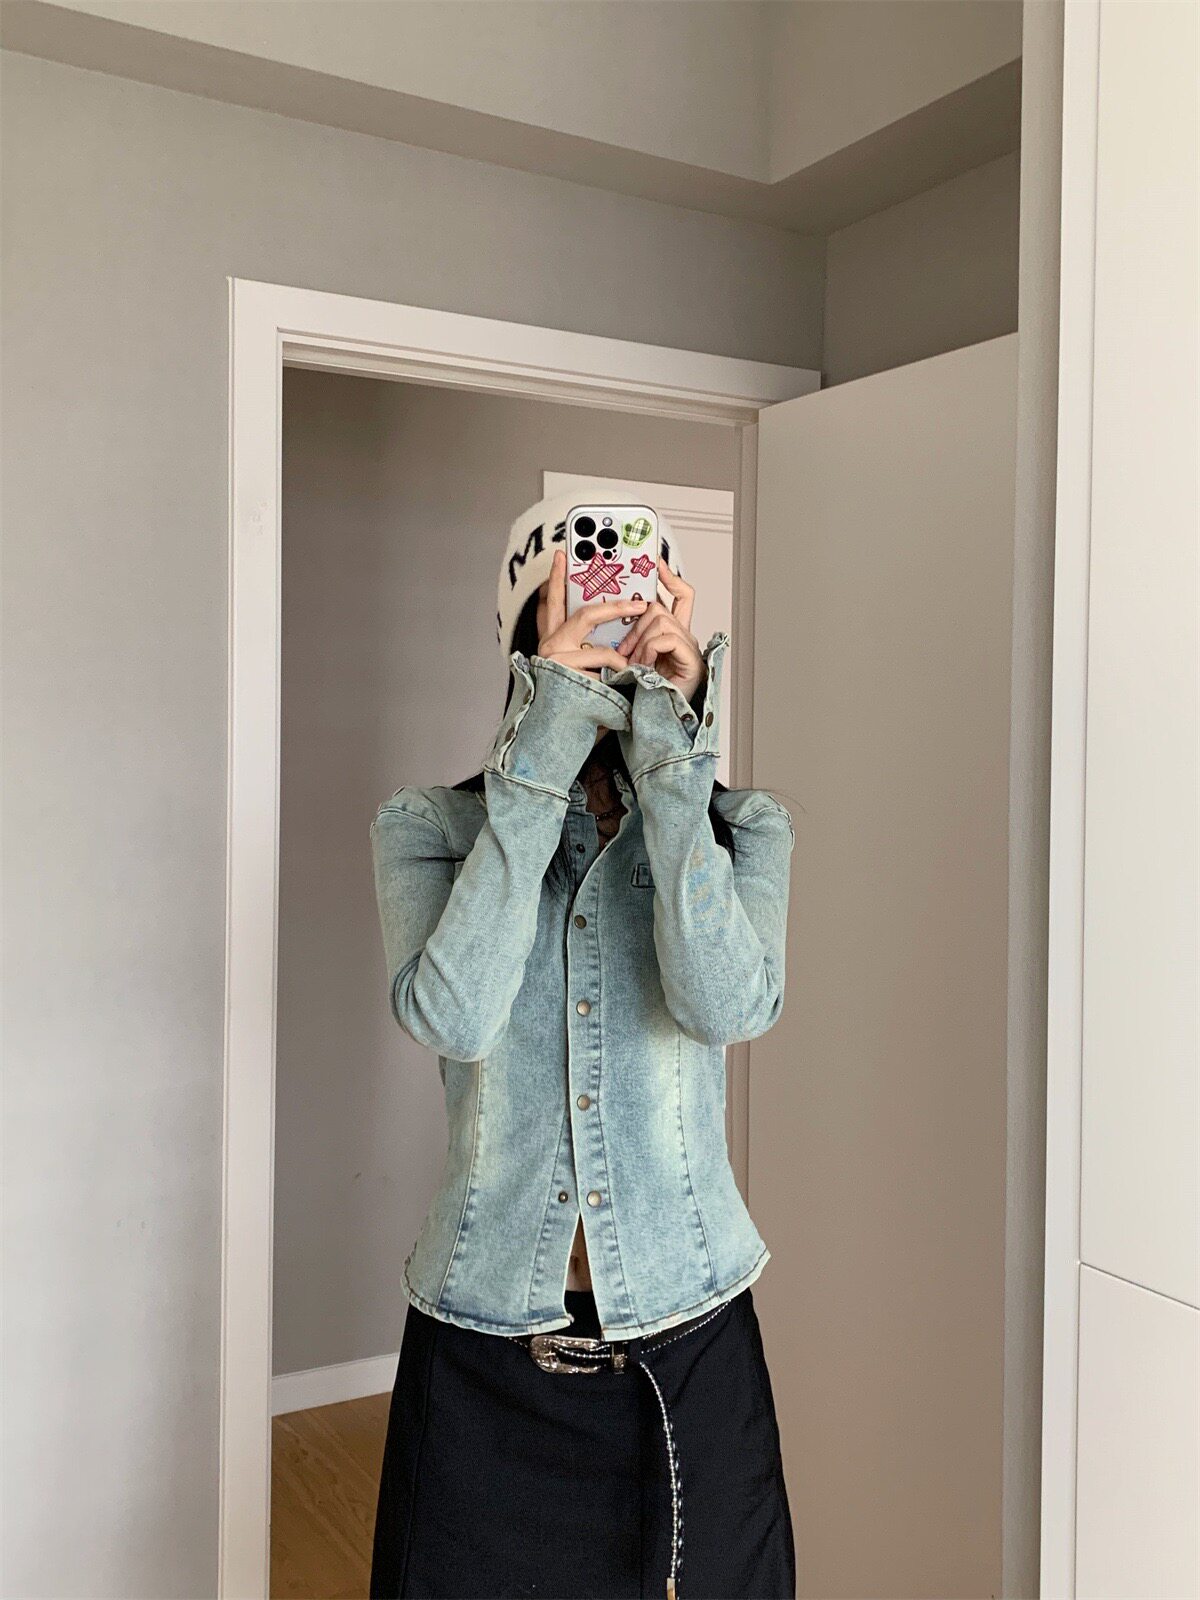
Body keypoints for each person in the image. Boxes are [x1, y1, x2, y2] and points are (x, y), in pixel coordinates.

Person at [368, 488, 797, 1599]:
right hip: (483, 1346)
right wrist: (546, 738)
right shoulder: (430, 827)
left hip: (692, 1342)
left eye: (633, 616)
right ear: (526, 645)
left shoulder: (739, 830)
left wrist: (675, 762)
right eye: (582, 617)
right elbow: (453, 1016)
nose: (612, 640)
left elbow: (727, 1008)